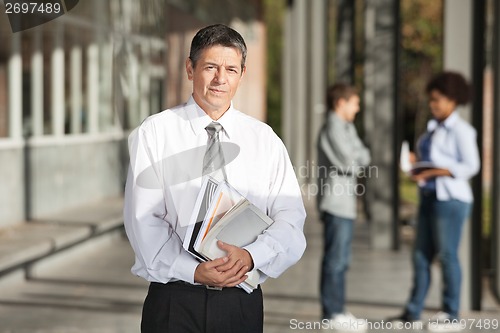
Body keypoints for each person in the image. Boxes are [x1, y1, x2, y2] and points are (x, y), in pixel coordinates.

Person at [123, 24, 306, 333]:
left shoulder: (265, 140)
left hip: (241, 304)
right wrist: (194, 270)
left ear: (242, 74)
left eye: (231, 69)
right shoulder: (155, 133)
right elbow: (143, 219)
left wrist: (250, 257)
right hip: (175, 302)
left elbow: (290, 216)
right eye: (211, 67)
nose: (221, 78)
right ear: (190, 69)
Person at [391, 71, 480, 332]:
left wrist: (434, 171)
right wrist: (415, 165)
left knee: (447, 255)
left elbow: (470, 165)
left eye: (438, 100)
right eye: (431, 100)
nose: (433, 105)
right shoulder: (432, 128)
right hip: (429, 197)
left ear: (453, 100)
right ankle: (413, 313)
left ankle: (452, 316)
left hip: (451, 200)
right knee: (420, 256)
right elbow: (427, 157)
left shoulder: (462, 130)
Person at [316, 83, 371, 332]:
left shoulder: (346, 128)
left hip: (346, 203)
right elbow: (350, 162)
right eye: (355, 103)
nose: (357, 108)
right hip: (336, 203)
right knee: (335, 260)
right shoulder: (332, 128)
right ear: (341, 103)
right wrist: (357, 160)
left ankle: (338, 309)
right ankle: (332, 313)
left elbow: (364, 156)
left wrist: (357, 159)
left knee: (342, 260)